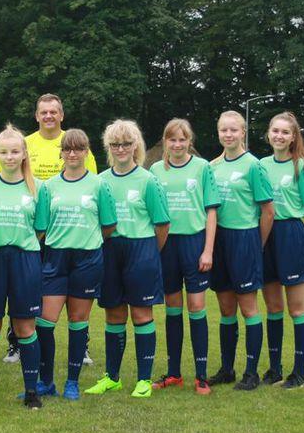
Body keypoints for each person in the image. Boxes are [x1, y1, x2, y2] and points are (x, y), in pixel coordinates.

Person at [85, 120, 170, 399]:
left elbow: (162, 224)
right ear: (108, 147)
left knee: (142, 314)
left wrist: (149, 254)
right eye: (115, 144)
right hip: (110, 250)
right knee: (114, 314)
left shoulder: (148, 180)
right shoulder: (100, 181)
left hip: (141, 250)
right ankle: (112, 377)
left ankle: (144, 379)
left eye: (126, 143)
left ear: (136, 146)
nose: (120, 149)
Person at [0, 124, 47, 410]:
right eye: (4, 152)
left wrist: (19, 242)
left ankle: (31, 392)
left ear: (24, 153)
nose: (9, 157)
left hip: (25, 260)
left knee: (25, 326)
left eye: (15, 151)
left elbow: (40, 228)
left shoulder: (39, 187)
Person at [37, 129, 117, 400]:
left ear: (86, 151)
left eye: (78, 149)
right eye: (67, 149)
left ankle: (72, 382)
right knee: (45, 321)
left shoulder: (99, 185)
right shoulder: (49, 186)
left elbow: (109, 225)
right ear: (61, 152)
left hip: (87, 259)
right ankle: (46, 381)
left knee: (78, 320)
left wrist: (87, 239)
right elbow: (41, 227)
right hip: (55, 257)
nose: (72, 154)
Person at [24, 94, 97, 366]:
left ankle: (82, 346)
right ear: (36, 115)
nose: (48, 116)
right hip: (32, 227)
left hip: (70, 232)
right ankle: (17, 341)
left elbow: (91, 186)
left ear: (62, 115)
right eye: (43, 112)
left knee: (78, 298)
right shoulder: (25, 143)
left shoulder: (75, 142)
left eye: (53, 111)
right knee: (28, 288)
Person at [149, 119, 221, 395]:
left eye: (182, 139)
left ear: (190, 141)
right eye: (172, 139)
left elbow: (211, 211)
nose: (177, 145)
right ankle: (174, 373)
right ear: (165, 142)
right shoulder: (156, 170)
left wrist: (208, 250)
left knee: (197, 306)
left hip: (194, 243)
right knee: (172, 308)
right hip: (167, 245)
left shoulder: (202, 168)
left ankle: (201, 376)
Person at [208, 110, 275, 391]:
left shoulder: (254, 166)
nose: (228, 134)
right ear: (218, 132)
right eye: (224, 130)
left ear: (243, 132)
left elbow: (268, 211)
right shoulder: (212, 166)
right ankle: (227, 369)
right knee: (226, 308)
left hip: (245, 239)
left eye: (233, 130)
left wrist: (256, 244)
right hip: (220, 240)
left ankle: (251, 372)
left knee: (248, 308)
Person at [259, 112, 304, 389]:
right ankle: (274, 369)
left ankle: (299, 373)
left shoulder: (302, 166)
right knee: (273, 306)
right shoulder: (260, 165)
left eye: (285, 132)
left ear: (294, 137)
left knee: (297, 309)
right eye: (275, 131)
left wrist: (302, 238)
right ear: (268, 133)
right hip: (265, 235)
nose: (279, 136)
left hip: (291, 235)